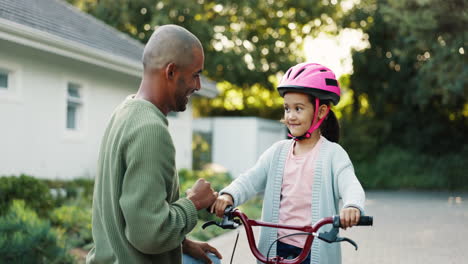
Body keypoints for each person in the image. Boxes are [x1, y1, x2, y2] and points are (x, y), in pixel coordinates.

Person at [86, 25, 222, 264]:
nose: (198, 86)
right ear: (170, 71)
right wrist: (195, 203)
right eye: (195, 75)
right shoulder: (150, 130)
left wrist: (184, 244)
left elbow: (130, 213)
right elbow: (149, 234)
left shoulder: (125, 111)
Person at [211, 63, 366, 264]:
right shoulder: (277, 152)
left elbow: (350, 184)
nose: (290, 116)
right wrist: (229, 195)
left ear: (321, 112)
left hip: (313, 250)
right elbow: (250, 179)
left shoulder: (333, 154)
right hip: (276, 248)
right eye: (287, 108)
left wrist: (352, 207)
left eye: (298, 108)